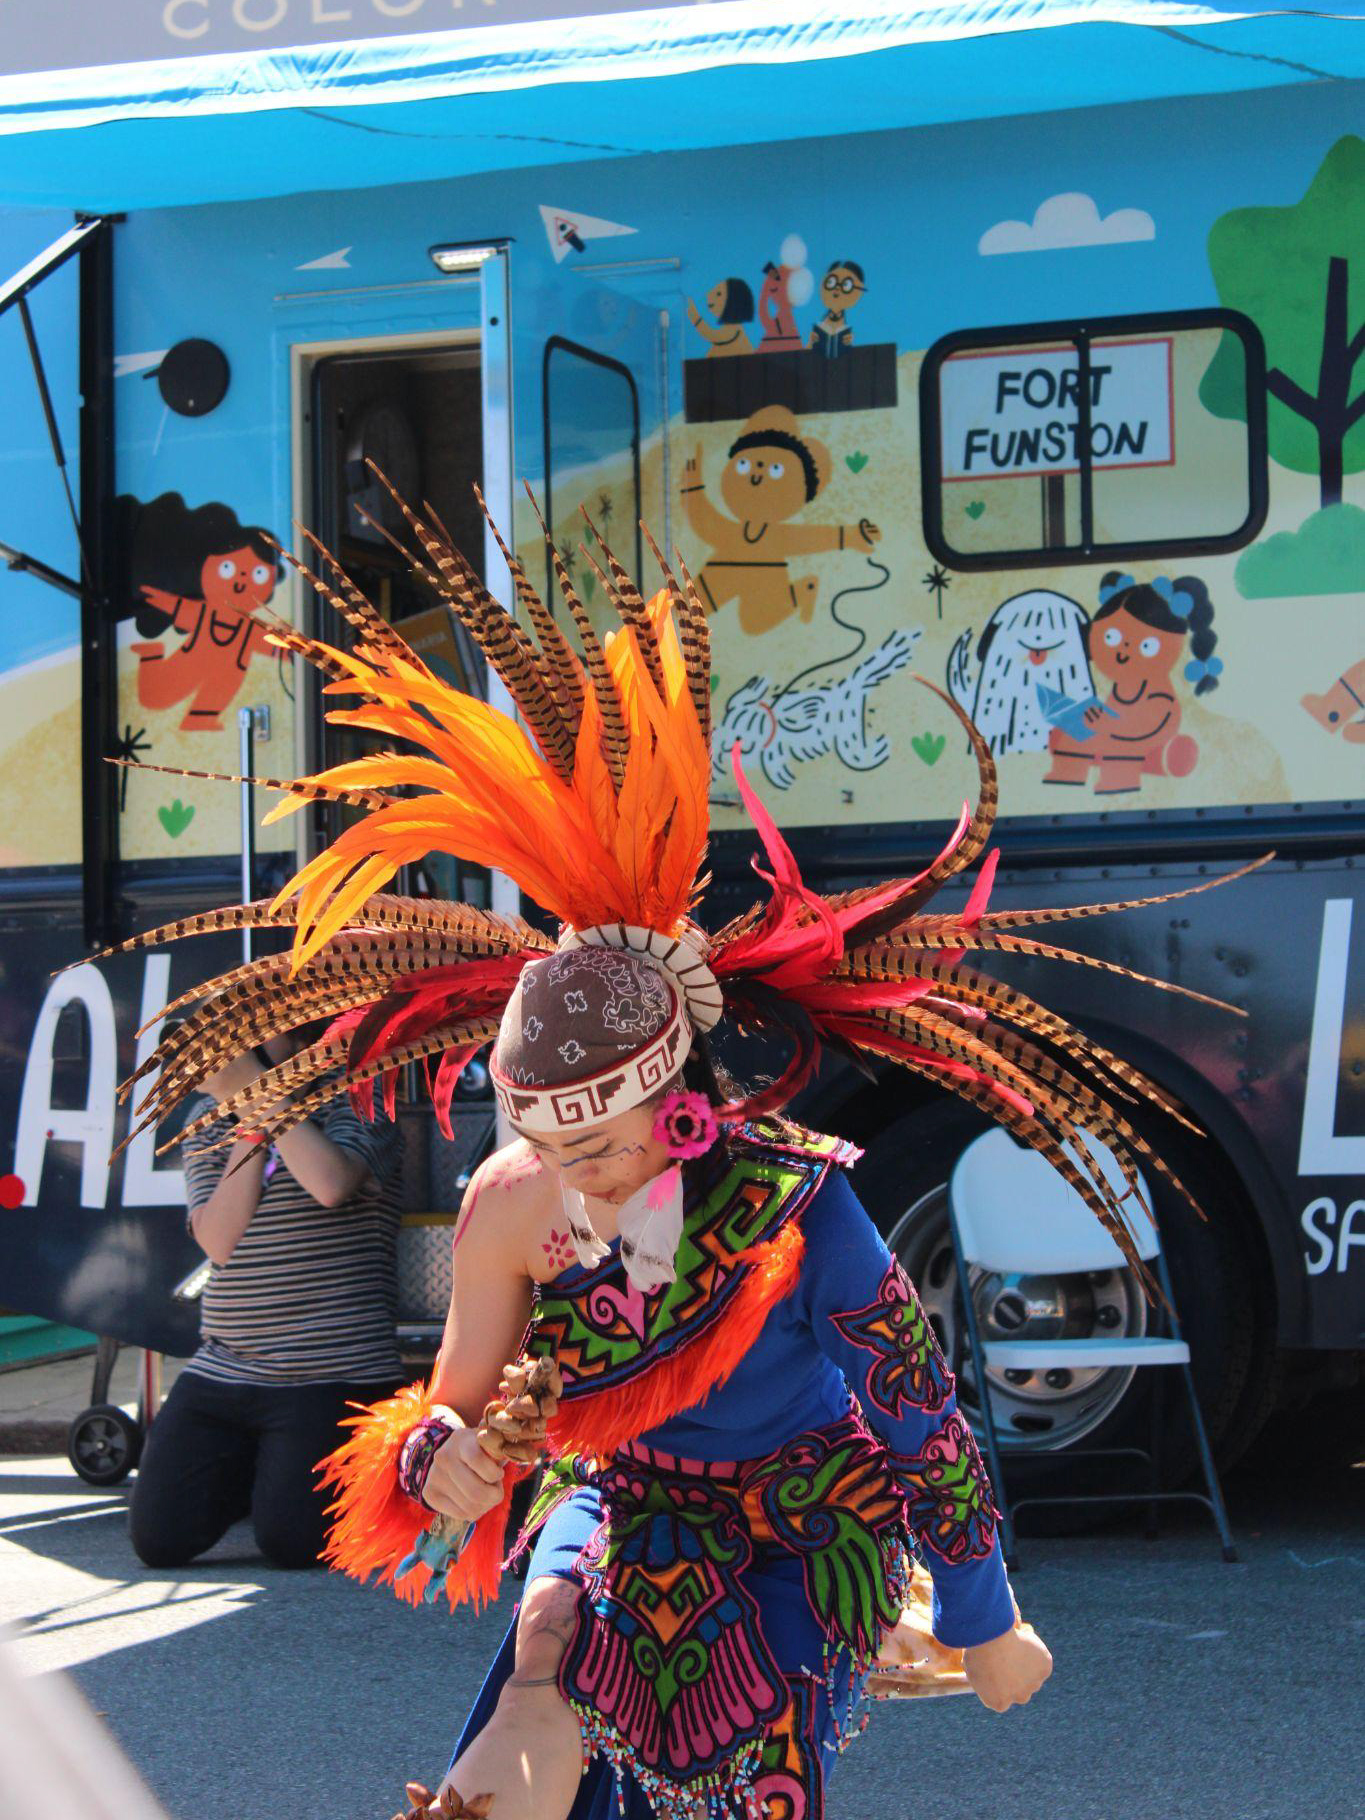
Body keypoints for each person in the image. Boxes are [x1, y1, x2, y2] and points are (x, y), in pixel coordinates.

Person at [111, 495, 1246, 1816]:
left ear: (679, 1100)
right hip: (624, 1502)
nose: (569, 1168)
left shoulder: (797, 1213)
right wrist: (449, 1462)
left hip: (803, 1516)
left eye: (596, 1137)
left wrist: (988, 1619)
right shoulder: (506, 1208)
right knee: (541, 1650)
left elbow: (921, 1422)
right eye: (542, 1134)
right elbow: (449, 1404)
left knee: (744, 1756)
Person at [128, 1026, 405, 1571]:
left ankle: (298, 1478)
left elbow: (332, 1183)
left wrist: (261, 1091)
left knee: (293, 1542)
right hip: (226, 1366)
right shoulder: (210, 1119)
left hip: (330, 1370)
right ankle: (258, 1473)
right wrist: (251, 1114)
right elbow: (219, 1241)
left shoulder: (360, 1088)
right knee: (159, 1539)